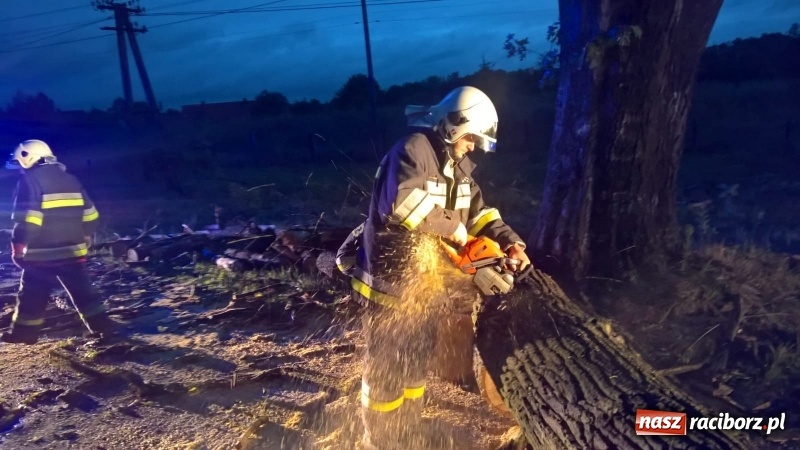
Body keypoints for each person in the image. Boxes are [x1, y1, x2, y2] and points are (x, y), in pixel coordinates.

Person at [346, 86, 531, 449]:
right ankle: (381, 439)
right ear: (452, 125)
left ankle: (408, 429)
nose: (473, 145)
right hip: (390, 283)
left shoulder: (457, 166)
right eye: (471, 137)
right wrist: (453, 228)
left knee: (416, 361)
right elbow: (399, 205)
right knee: (388, 367)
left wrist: (511, 242)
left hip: (427, 285)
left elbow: (479, 212)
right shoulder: (413, 150)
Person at [2, 139, 118, 344]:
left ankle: (24, 334)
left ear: (27, 158)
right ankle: (104, 329)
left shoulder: (30, 180)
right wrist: (86, 234)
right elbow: (91, 215)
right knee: (84, 293)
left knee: (31, 295)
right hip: (73, 251)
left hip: (40, 254)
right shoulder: (71, 179)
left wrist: (18, 246)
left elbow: (29, 219)